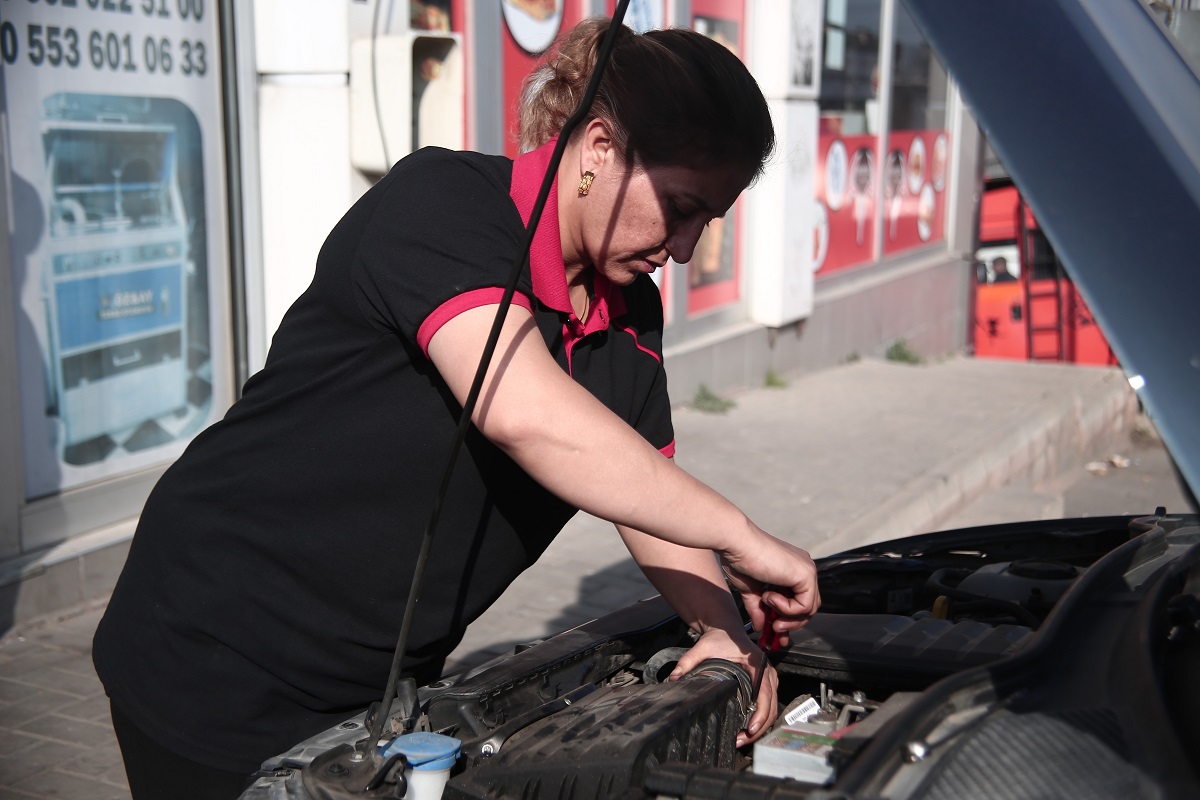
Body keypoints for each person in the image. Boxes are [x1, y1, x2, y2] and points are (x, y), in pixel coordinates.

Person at [92, 18, 821, 799]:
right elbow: (524, 412)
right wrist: (742, 535)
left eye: (705, 222)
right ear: (600, 147)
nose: (682, 247)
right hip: (218, 645)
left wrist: (720, 630)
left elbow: (643, 494)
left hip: (379, 684)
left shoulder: (631, 311)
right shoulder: (444, 204)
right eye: (678, 207)